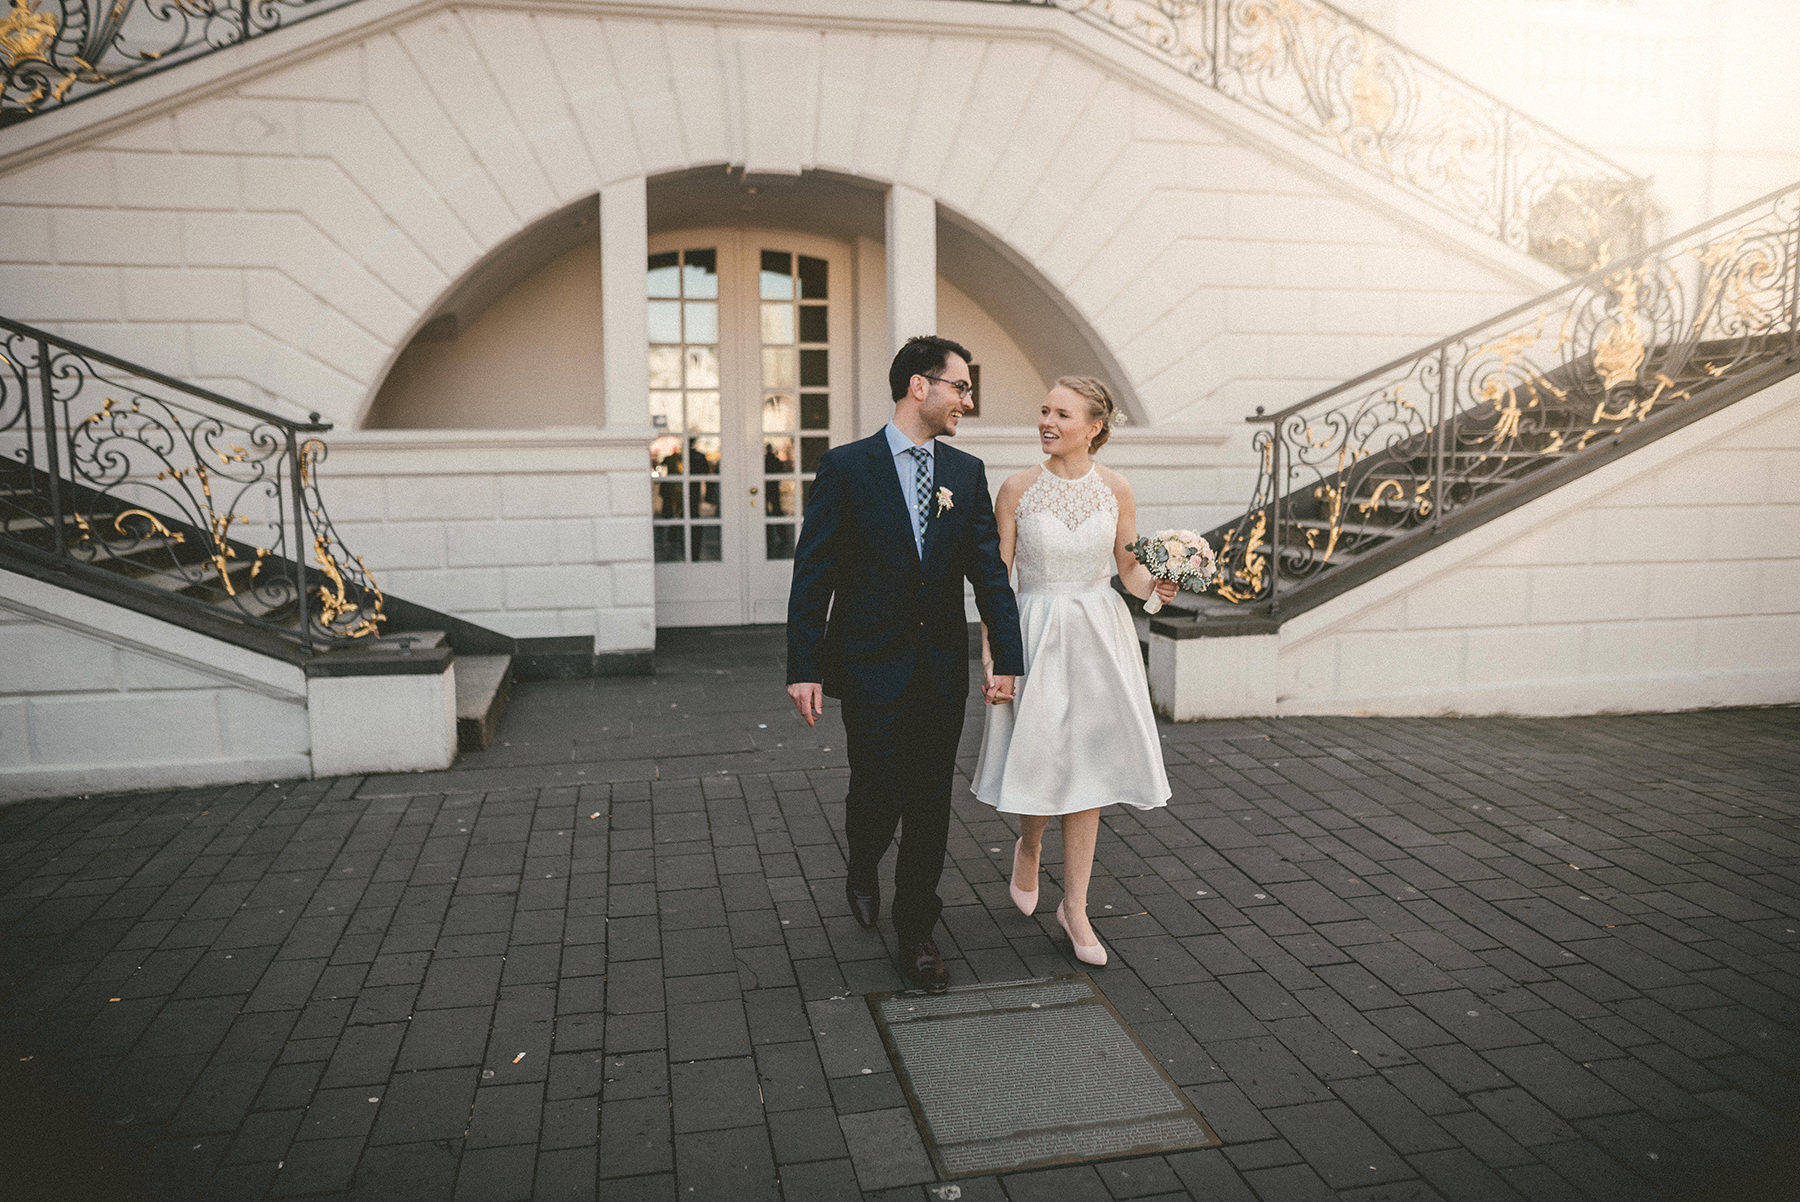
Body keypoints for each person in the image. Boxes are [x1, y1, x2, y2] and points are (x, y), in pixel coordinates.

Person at [786, 336, 1025, 993]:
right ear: (920, 386)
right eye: (960, 387)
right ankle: (863, 862)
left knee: (928, 800)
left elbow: (989, 577)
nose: (968, 402)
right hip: (868, 664)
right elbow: (815, 573)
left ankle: (916, 930)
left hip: (940, 668)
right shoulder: (846, 468)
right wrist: (802, 665)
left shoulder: (966, 475)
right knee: (877, 789)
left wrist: (1007, 655)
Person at [972, 376, 1177, 968]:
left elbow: (1129, 570)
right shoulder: (1015, 489)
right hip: (1034, 632)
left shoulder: (1116, 488)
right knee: (1041, 754)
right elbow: (997, 583)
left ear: (1093, 427)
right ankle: (1030, 845)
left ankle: (1076, 908)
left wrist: (1157, 588)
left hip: (1096, 637)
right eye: (1043, 410)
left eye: (1061, 413)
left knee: (1085, 767)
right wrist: (995, 658)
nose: (1047, 422)